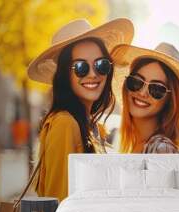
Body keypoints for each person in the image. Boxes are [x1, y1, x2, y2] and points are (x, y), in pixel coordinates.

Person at [27, 18, 133, 201]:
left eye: (101, 65)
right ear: (64, 76)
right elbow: (60, 205)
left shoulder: (91, 126)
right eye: (81, 67)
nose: (93, 74)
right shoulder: (65, 124)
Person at [111, 42, 179, 153]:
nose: (142, 93)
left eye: (157, 89)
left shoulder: (162, 150)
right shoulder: (131, 141)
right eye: (136, 82)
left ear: (169, 101)